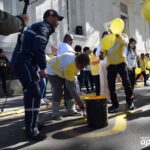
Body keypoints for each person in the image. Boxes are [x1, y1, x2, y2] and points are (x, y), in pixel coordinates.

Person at [13, 9, 64, 141]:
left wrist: (35, 69)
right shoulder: (43, 27)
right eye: (57, 18)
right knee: (34, 93)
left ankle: (32, 124)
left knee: (32, 94)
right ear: (50, 16)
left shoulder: (39, 27)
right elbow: (38, 48)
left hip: (24, 62)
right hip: (24, 61)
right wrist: (43, 68)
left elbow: (32, 48)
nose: (58, 22)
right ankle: (32, 130)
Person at [47, 52, 89, 120]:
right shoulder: (70, 65)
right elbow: (71, 88)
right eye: (81, 66)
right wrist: (80, 104)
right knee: (59, 90)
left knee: (69, 89)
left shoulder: (76, 61)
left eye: (84, 67)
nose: (82, 68)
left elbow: (70, 87)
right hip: (52, 70)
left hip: (62, 69)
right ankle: (55, 114)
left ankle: (71, 110)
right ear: (78, 62)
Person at [101, 33, 135, 113]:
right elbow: (103, 53)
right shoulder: (106, 41)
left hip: (121, 63)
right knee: (111, 85)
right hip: (111, 65)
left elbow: (126, 43)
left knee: (126, 83)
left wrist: (119, 36)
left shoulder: (122, 35)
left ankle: (130, 102)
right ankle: (115, 105)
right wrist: (102, 54)